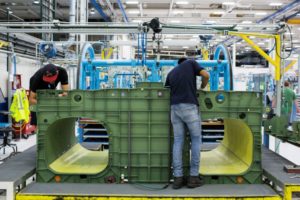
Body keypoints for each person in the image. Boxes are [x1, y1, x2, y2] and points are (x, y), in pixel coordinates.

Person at [165, 57, 209, 189]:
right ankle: (193, 177)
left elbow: (167, 90)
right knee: (195, 139)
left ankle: (178, 178)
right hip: (189, 107)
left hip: (174, 109)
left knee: (178, 141)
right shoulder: (190, 63)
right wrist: (202, 86)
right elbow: (206, 75)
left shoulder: (171, 73)